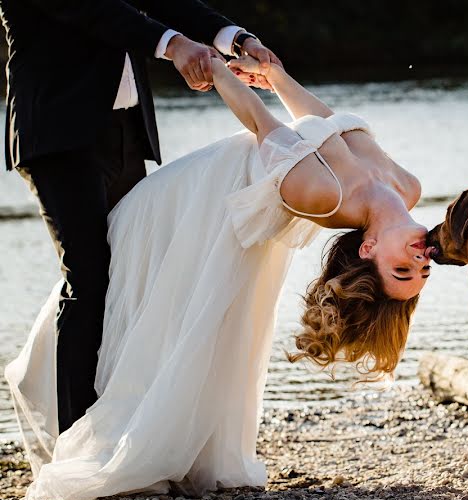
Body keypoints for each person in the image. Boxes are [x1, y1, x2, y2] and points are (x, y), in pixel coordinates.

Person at [5, 55, 433, 500]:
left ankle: (123, 430)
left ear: (368, 250)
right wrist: (277, 77)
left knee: (158, 306)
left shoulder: (325, 196)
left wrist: (215, 69)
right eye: (420, 270)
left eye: (401, 270)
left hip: (198, 201)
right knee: (126, 291)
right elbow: (327, 123)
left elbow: (261, 123)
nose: (419, 260)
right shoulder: (407, 186)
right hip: (204, 196)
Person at [0, 0, 281, 436]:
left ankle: (129, 425)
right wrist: (174, 46)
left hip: (125, 132)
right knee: (90, 280)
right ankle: (79, 441)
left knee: (137, 273)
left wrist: (236, 39)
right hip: (58, 133)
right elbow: (94, 10)